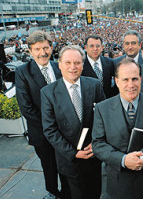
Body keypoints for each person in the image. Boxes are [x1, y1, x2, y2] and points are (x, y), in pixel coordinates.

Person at [92, 58, 143, 199]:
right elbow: (98, 144)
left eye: (134, 79)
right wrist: (123, 160)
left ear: (141, 79)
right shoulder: (102, 108)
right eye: (125, 80)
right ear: (117, 81)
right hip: (117, 185)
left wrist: (142, 156)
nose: (131, 85)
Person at [41, 45, 106, 199]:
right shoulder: (48, 92)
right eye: (68, 62)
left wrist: (96, 143)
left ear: (83, 65)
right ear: (60, 64)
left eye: (77, 63)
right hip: (69, 162)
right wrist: (74, 153)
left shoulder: (94, 85)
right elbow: (50, 130)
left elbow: (104, 118)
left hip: (94, 158)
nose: (73, 67)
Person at [15, 30, 67, 199]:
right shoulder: (23, 72)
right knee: (49, 166)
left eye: (45, 48)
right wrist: (51, 127)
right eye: (37, 49)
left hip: (66, 131)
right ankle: (52, 193)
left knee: (66, 165)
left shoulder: (60, 67)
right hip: (41, 132)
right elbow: (26, 107)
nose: (42, 53)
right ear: (30, 51)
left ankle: (68, 193)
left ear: (51, 48)